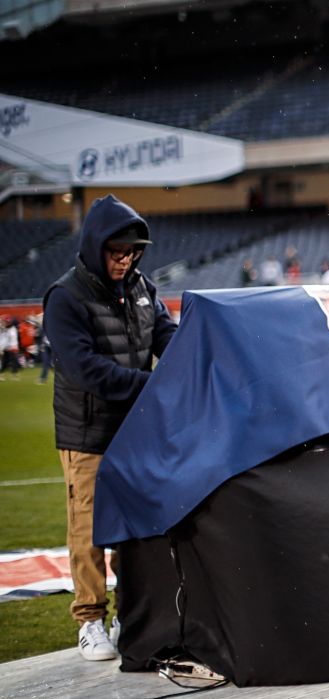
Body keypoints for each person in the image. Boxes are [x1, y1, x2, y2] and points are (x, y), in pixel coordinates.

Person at [42, 194, 178, 661]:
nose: (124, 260)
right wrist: (152, 386)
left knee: (135, 531)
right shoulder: (65, 297)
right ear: (96, 245)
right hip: (87, 434)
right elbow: (86, 370)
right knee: (88, 530)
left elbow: (167, 336)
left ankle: (128, 615)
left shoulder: (143, 288)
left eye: (132, 252)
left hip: (134, 431)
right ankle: (89, 621)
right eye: (116, 252)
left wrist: (194, 353)